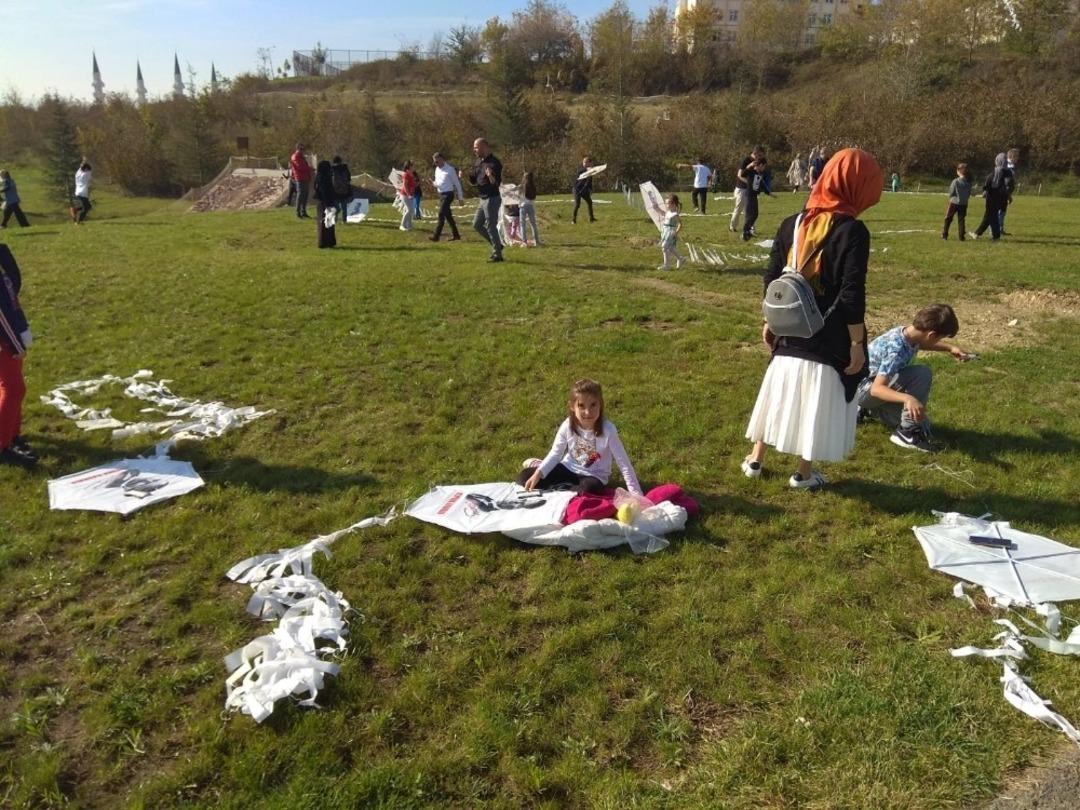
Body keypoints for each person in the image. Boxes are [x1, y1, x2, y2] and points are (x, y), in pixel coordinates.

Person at [742, 147, 883, 490]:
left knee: (780, 387)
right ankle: (803, 472)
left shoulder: (793, 223)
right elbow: (851, 294)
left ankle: (755, 458)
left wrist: (770, 319)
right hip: (828, 331)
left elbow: (772, 277)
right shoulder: (853, 231)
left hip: (790, 324)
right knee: (816, 397)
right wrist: (856, 342)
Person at [856, 304, 968, 453]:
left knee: (923, 424)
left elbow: (922, 343)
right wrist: (908, 398)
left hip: (864, 387)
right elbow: (877, 389)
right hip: (864, 390)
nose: (936, 342)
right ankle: (906, 434)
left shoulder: (908, 334)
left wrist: (950, 348)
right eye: (939, 338)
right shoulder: (896, 351)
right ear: (931, 335)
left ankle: (865, 410)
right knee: (921, 374)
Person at [518, 378, 643, 496]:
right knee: (525, 477)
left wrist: (636, 493)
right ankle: (540, 466)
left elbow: (623, 463)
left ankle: (564, 489)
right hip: (568, 469)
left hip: (593, 476)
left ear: (600, 405)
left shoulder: (608, 430)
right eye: (581, 406)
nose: (588, 412)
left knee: (589, 490)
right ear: (572, 406)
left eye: (593, 405)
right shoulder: (567, 425)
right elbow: (556, 454)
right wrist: (539, 473)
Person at [0, 243, 36, 467]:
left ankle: (12, 435)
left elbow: (14, 282)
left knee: (11, 387)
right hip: (5, 340)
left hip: (11, 334)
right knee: (13, 389)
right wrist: (15, 345)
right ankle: (2, 444)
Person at [464, 138, 504, 263]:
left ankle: (497, 254)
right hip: (482, 199)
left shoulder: (494, 163)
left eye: (476, 147)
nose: (474, 150)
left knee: (491, 226)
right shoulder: (478, 162)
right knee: (476, 224)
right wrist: (465, 175)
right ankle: (497, 244)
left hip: (492, 198)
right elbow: (474, 180)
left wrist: (490, 176)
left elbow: (496, 183)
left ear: (484, 147)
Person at [972, 153, 1013, 241]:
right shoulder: (1009, 173)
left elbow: (989, 184)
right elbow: (1011, 186)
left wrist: (984, 191)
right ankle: (977, 233)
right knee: (989, 216)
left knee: (992, 216)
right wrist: (1009, 195)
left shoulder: (996, 172)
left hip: (992, 198)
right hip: (1003, 198)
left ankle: (996, 236)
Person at [428, 152, 464, 242]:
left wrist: (460, 198)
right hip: (441, 195)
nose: (436, 164)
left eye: (437, 162)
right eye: (435, 162)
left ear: (442, 159)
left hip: (448, 195)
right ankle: (456, 235)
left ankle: (436, 236)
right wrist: (433, 184)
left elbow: (457, 184)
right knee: (448, 216)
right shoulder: (437, 170)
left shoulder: (450, 170)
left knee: (441, 214)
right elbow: (438, 184)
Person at [730, 146, 764, 234]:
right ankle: (733, 226)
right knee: (739, 208)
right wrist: (749, 183)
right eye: (759, 155)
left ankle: (751, 228)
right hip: (742, 188)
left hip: (750, 190)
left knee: (751, 210)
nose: (760, 157)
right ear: (755, 153)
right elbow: (740, 175)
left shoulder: (758, 161)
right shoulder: (746, 160)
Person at [741, 158, 772, 242]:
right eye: (764, 166)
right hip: (749, 196)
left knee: (755, 214)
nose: (764, 168)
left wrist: (769, 193)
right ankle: (744, 232)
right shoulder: (751, 172)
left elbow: (762, 184)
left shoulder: (758, 174)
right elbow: (742, 174)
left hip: (754, 196)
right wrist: (749, 166)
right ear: (760, 165)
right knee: (750, 215)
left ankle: (748, 230)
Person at [942, 163, 972, 241]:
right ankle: (961, 236)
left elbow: (951, 192)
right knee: (961, 220)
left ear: (958, 171)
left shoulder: (955, 181)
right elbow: (969, 193)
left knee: (948, 218)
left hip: (954, 202)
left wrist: (951, 197)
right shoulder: (968, 182)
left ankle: (945, 235)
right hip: (964, 203)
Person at [312, 160, 337, 249]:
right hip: (326, 201)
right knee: (327, 222)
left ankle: (326, 241)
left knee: (325, 222)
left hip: (321, 202)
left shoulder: (319, 177)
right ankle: (327, 241)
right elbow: (325, 191)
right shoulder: (324, 178)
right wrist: (327, 203)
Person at [658, 194, 685, 271]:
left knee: (664, 247)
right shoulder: (668, 212)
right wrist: (656, 208)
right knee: (671, 248)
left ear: (673, 204)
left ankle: (666, 265)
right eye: (666, 203)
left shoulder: (675, 214)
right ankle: (680, 258)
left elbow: (680, 224)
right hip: (665, 231)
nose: (666, 205)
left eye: (667, 203)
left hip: (670, 232)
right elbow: (663, 213)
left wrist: (676, 233)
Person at [290, 143, 312, 219]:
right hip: (300, 178)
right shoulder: (295, 157)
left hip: (305, 178)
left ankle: (303, 211)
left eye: (303, 149)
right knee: (300, 195)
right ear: (297, 149)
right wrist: (309, 168)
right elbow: (300, 167)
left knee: (305, 195)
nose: (303, 151)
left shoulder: (302, 157)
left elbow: (304, 166)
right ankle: (298, 212)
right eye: (301, 149)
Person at [572, 156, 597, 225]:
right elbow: (581, 172)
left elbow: (589, 181)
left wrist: (591, 189)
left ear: (590, 163)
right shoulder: (581, 170)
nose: (584, 163)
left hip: (584, 190)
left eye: (586, 162)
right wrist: (587, 170)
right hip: (577, 189)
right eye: (584, 162)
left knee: (590, 202)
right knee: (577, 204)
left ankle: (591, 218)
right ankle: (573, 220)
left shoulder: (590, 171)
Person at [999, 147, 1019, 235]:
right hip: (1004, 191)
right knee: (1000, 211)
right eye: (1016, 157)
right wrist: (1008, 194)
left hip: (1006, 191)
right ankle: (997, 229)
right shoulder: (1009, 167)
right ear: (1012, 157)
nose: (1018, 159)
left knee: (1002, 211)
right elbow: (1007, 181)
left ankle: (1000, 228)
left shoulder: (1010, 166)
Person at [521, 171, 540, 246]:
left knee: (522, 225)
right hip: (531, 205)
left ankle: (524, 242)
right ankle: (536, 241)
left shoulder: (523, 186)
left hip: (523, 206)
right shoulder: (533, 186)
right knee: (533, 224)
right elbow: (534, 197)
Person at [331, 156, 352, 221]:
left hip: (335, 191)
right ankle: (344, 220)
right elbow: (349, 179)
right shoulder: (345, 169)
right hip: (344, 191)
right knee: (344, 207)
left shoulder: (332, 169)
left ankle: (335, 219)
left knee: (336, 207)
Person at [398, 161, 417, 231]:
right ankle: (402, 225)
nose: (414, 167)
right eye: (412, 166)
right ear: (409, 167)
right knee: (410, 210)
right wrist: (408, 194)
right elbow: (405, 186)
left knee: (410, 210)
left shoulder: (412, 174)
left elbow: (412, 184)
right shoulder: (406, 174)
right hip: (405, 195)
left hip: (411, 195)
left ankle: (409, 225)